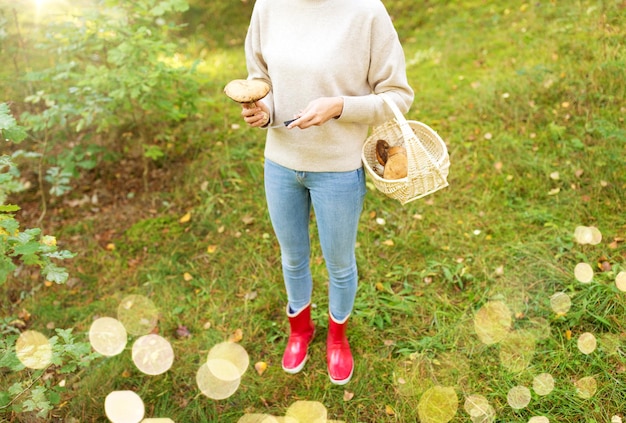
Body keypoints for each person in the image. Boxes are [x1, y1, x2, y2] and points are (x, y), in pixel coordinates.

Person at [239, 0, 414, 385]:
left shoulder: (366, 12)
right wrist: (263, 111)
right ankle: (300, 331)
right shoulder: (268, 6)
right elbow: (261, 79)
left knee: (339, 263)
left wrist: (340, 106)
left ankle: (337, 339)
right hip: (280, 163)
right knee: (293, 258)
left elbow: (399, 96)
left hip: (338, 168)